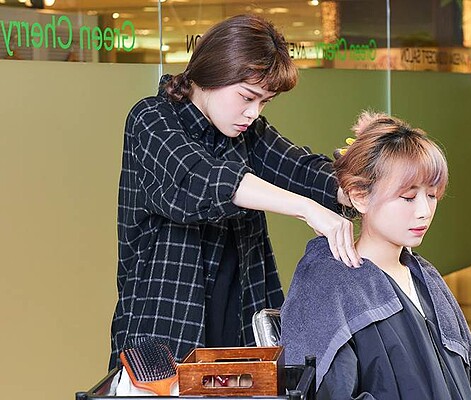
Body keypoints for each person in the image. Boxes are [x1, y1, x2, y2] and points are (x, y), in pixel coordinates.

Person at [112, 14, 360, 368]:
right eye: (247, 97)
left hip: (243, 326)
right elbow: (200, 180)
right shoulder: (150, 119)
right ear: (213, 72)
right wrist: (306, 209)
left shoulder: (247, 133)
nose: (252, 113)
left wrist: (361, 183)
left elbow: (301, 170)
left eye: (264, 102)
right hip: (164, 335)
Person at [280, 112, 471, 400]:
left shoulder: (425, 277)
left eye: (432, 195)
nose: (424, 212)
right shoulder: (328, 284)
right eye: (408, 197)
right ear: (359, 196)